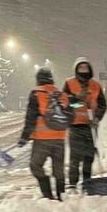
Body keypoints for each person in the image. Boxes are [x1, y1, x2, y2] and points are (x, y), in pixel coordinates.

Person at [18, 67, 69, 200]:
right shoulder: (60, 94)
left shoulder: (36, 93)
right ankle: (61, 196)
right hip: (60, 138)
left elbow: (31, 117)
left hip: (42, 140)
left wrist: (24, 137)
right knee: (59, 170)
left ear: (38, 80)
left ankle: (47, 195)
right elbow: (69, 113)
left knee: (35, 165)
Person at [62, 58, 107, 190]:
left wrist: (97, 118)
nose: (83, 70)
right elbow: (65, 103)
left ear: (89, 69)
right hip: (75, 125)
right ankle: (72, 182)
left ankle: (87, 181)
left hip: (90, 126)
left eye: (85, 68)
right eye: (80, 68)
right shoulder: (69, 83)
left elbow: (102, 105)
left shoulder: (96, 85)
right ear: (76, 69)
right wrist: (76, 99)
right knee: (75, 156)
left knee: (89, 155)